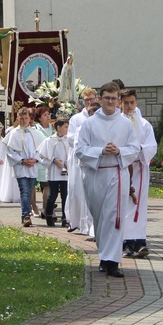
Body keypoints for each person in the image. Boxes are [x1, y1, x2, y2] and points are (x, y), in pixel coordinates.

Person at [76, 82, 140, 278]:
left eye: (114, 99)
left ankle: (112, 262)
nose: (110, 102)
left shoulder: (125, 123)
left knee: (114, 217)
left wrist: (119, 151)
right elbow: (80, 150)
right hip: (95, 174)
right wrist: (100, 151)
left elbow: (135, 148)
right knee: (100, 218)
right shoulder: (89, 123)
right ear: (100, 99)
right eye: (107, 98)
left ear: (117, 100)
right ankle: (104, 256)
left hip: (116, 173)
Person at [121, 88, 158, 258]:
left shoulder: (144, 124)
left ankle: (139, 241)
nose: (129, 106)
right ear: (120, 103)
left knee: (139, 205)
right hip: (121, 168)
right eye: (126, 102)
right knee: (123, 204)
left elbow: (152, 146)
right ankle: (125, 242)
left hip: (139, 167)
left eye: (132, 102)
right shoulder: (117, 122)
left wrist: (138, 150)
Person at [4, 108, 47, 226]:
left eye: (26, 118)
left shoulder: (35, 133)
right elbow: (10, 151)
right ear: (17, 119)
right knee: (24, 191)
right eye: (21, 119)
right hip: (21, 167)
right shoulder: (13, 134)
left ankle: (26, 214)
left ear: (30, 119)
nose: (23, 121)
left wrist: (35, 159)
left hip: (32, 166)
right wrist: (21, 160)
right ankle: (26, 215)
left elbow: (42, 149)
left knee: (30, 190)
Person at [64, 88, 98, 234]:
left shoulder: (100, 116)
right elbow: (70, 138)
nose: (89, 102)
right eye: (86, 100)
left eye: (91, 99)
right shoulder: (76, 118)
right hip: (78, 158)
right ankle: (75, 221)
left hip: (94, 158)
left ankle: (90, 226)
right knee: (76, 190)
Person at [37, 119, 70, 227]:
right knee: (53, 195)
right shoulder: (49, 141)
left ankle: (65, 218)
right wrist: (53, 160)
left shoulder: (68, 140)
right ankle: (49, 214)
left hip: (66, 173)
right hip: (54, 172)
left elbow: (72, 154)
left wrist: (68, 163)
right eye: (65, 127)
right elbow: (41, 155)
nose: (67, 129)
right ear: (58, 127)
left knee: (65, 195)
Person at [33, 106, 55, 218]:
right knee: (43, 185)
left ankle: (46, 209)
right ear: (40, 118)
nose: (48, 117)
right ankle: (36, 207)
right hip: (40, 161)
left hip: (52, 161)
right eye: (45, 115)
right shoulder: (35, 129)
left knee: (49, 186)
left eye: (49, 114)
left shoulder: (54, 128)